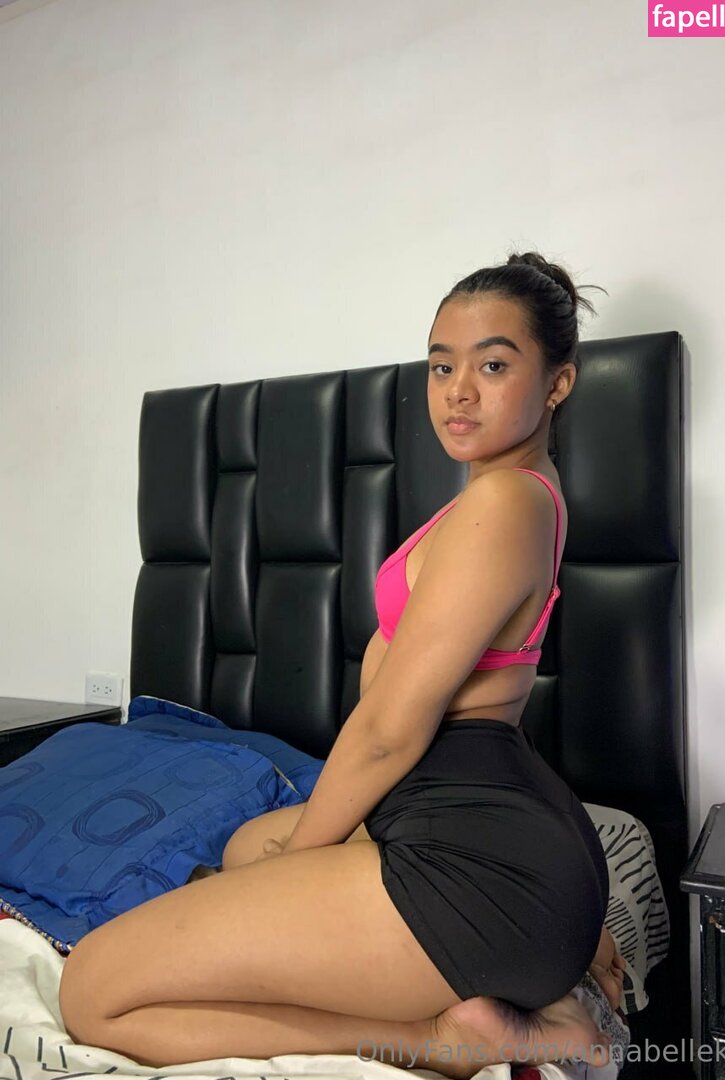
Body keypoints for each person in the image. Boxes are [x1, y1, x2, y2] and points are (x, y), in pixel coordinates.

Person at [58, 250, 622, 1076]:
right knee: (248, 846)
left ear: (558, 382)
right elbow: (488, 705)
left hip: (479, 876)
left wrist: (307, 857)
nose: (458, 391)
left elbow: (390, 731)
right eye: (442, 366)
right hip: (492, 834)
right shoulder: (522, 490)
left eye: (494, 365)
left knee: (93, 992)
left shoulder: (503, 502)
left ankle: (457, 1041)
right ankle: (516, 953)